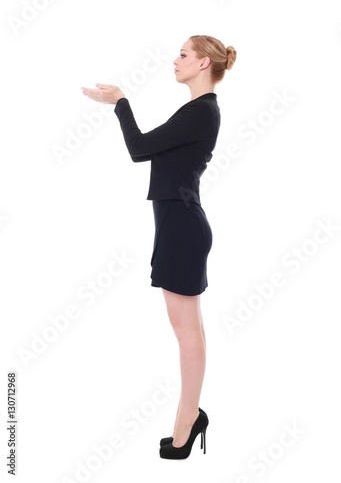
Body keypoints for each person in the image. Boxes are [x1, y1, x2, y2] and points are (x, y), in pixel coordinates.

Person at [81, 34, 237, 460]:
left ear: (204, 64)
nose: (175, 60)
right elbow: (151, 151)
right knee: (190, 330)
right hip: (179, 224)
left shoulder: (201, 111)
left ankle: (186, 422)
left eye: (183, 54)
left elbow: (140, 149)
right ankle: (191, 416)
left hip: (182, 228)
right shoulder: (197, 111)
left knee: (187, 332)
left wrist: (120, 102)